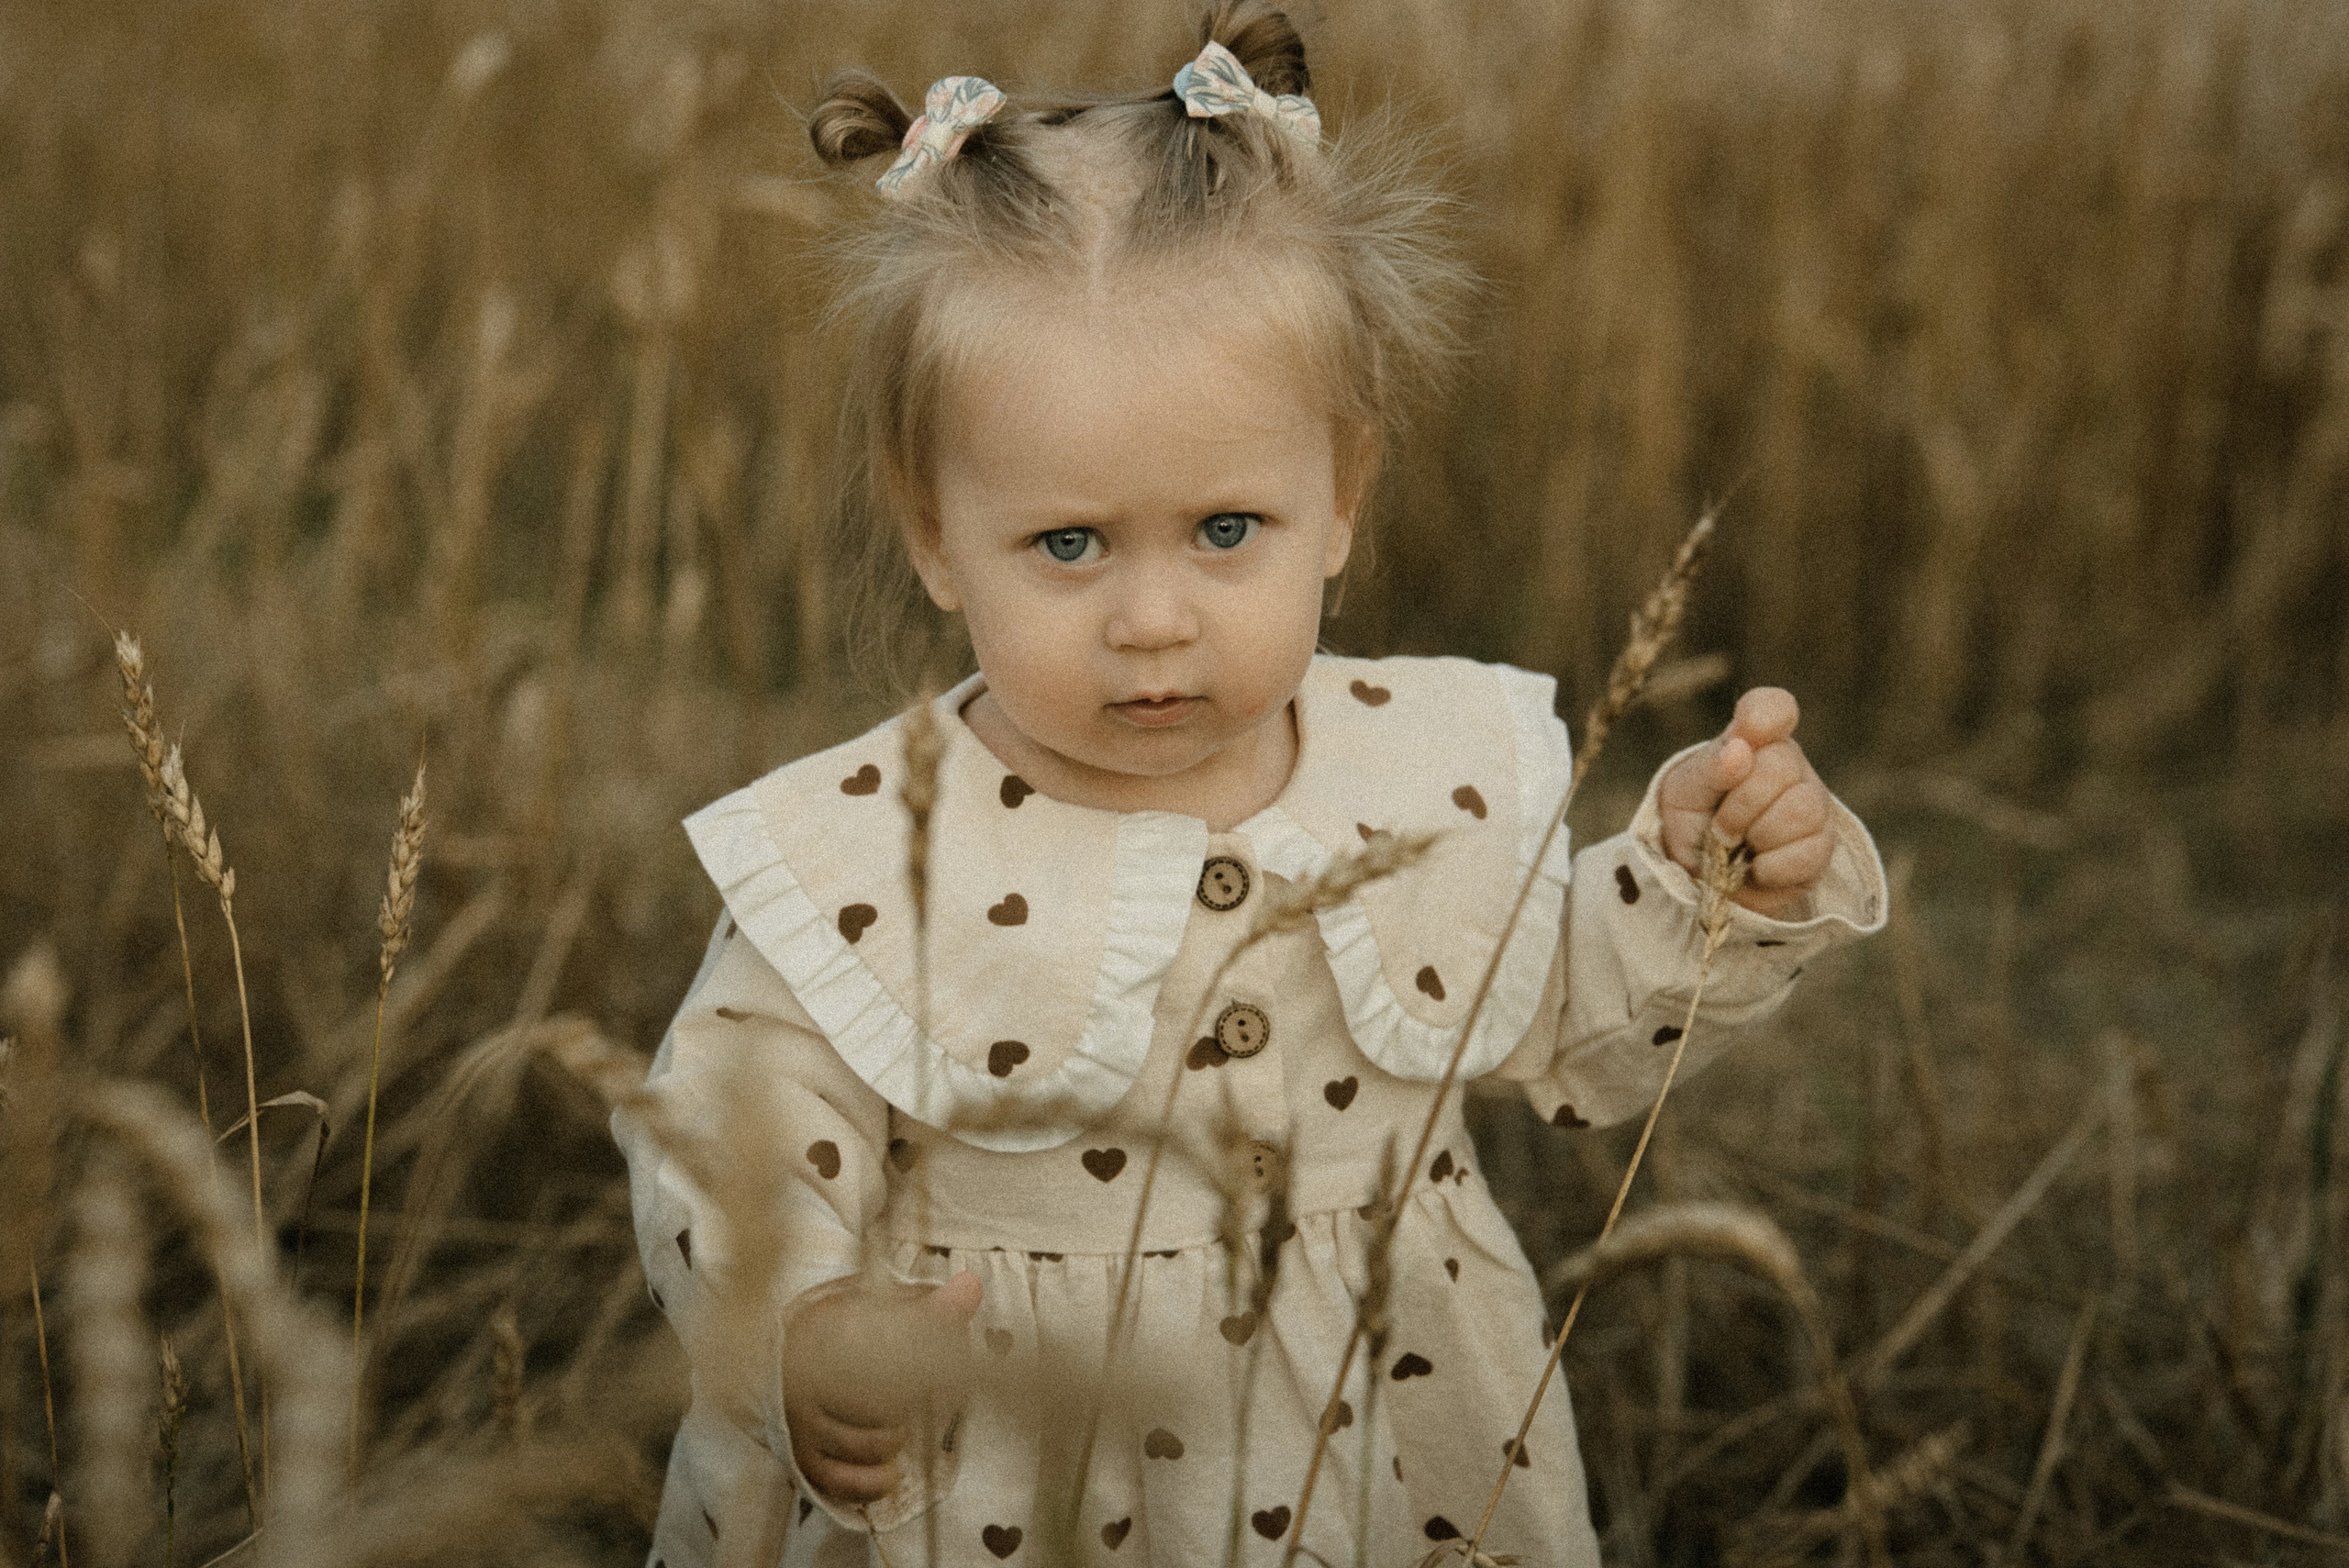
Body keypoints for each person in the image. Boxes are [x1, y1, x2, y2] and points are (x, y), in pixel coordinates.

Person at [611, 6, 1887, 1564]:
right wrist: (811, 1322)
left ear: (1339, 494)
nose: (1155, 618)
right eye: (1067, 544)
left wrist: (1699, 878)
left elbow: (1564, 1014)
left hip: (1378, 1450)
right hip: (1011, 1468)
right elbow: (718, 1118)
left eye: (1228, 530)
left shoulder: (1428, 775)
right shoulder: (876, 854)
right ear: (936, 531)